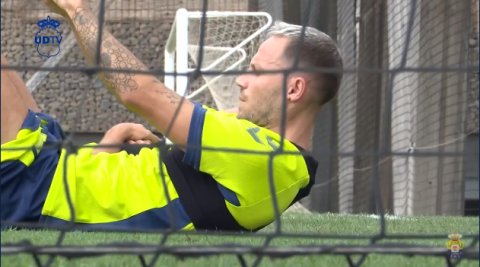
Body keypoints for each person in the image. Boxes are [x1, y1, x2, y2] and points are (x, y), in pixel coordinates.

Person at [0, 0, 343, 231]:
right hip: (59, 169)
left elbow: (138, 91)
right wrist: (105, 148)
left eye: (256, 71)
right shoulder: (274, 160)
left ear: (294, 89)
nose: (241, 79)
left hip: (38, 191)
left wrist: (77, 9)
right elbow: (155, 198)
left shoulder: (264, 160)